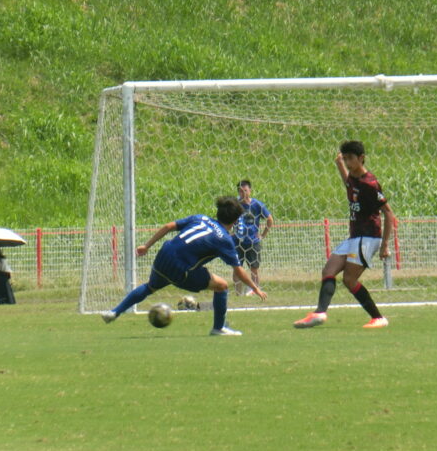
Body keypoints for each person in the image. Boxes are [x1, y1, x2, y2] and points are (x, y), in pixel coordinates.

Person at [101, 196, 267, 335]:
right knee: (222, 286)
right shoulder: (224, 239)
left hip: (164, 255)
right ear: (236, 220)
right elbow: (238, 270)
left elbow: (168, 226)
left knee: (150, 287)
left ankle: (114, 311)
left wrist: (146, 246)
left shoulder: (201, 218)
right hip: (181, 268)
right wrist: (255, 288)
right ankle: (219, 328)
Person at [294, 140, 395, 329]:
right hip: (354, 237)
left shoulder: (370, 184)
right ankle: (319, 313)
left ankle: (378, 318)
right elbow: (348, 182)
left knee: (349, 279)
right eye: (345, 159)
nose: (348, 162)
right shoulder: (353, 181)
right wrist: (339, 163)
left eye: (351, 159)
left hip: (368, 237)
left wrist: (385, 245)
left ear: (361, 158)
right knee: (328, 271)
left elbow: (388, 213)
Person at [233, 179, 274, 296]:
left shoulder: (257, 205)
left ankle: (254, 291)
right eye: (240, 191)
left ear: (250, 191)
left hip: (253, 242)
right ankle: (238, 293)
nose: (243, 193)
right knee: (237, 268)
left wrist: (263, 235)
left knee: (254, 269)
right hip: (238, 241)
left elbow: (270, 219)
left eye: (245, 190)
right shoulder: (235, 205)